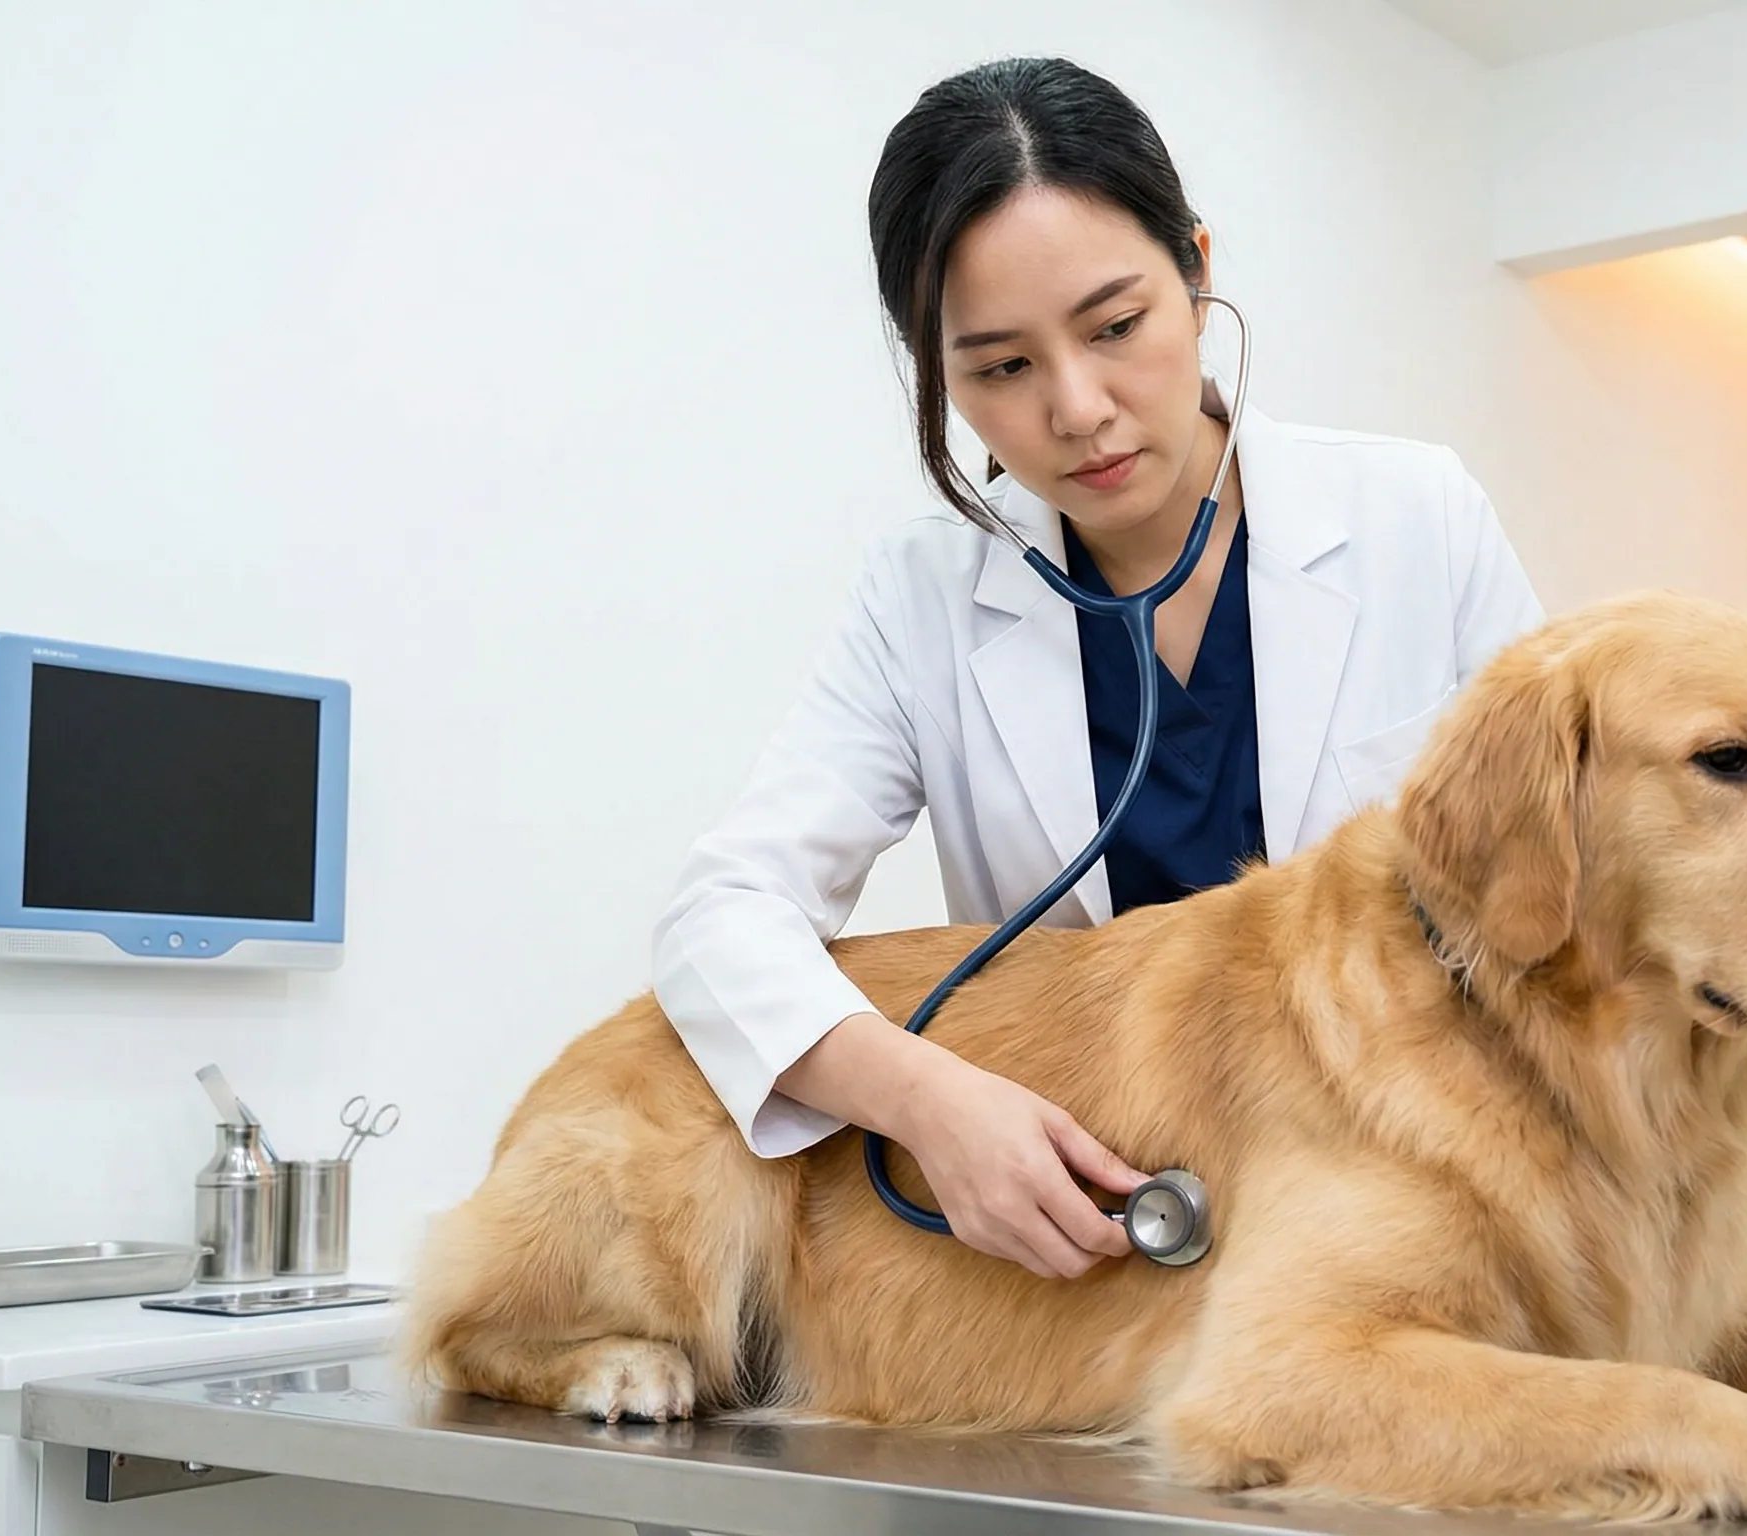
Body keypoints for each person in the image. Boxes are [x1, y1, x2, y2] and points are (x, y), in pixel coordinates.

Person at [652, 56, 1543, 1282]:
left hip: (1415, 1189)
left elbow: (1562, 873)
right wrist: (930, 1099)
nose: (1076, 408)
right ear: (934, 368)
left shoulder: (1412, 518)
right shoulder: (923, 597)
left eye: (1116, 327)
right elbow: (721, 921)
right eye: (1000, 368)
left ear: (1197, 268)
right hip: (1108, 1227)